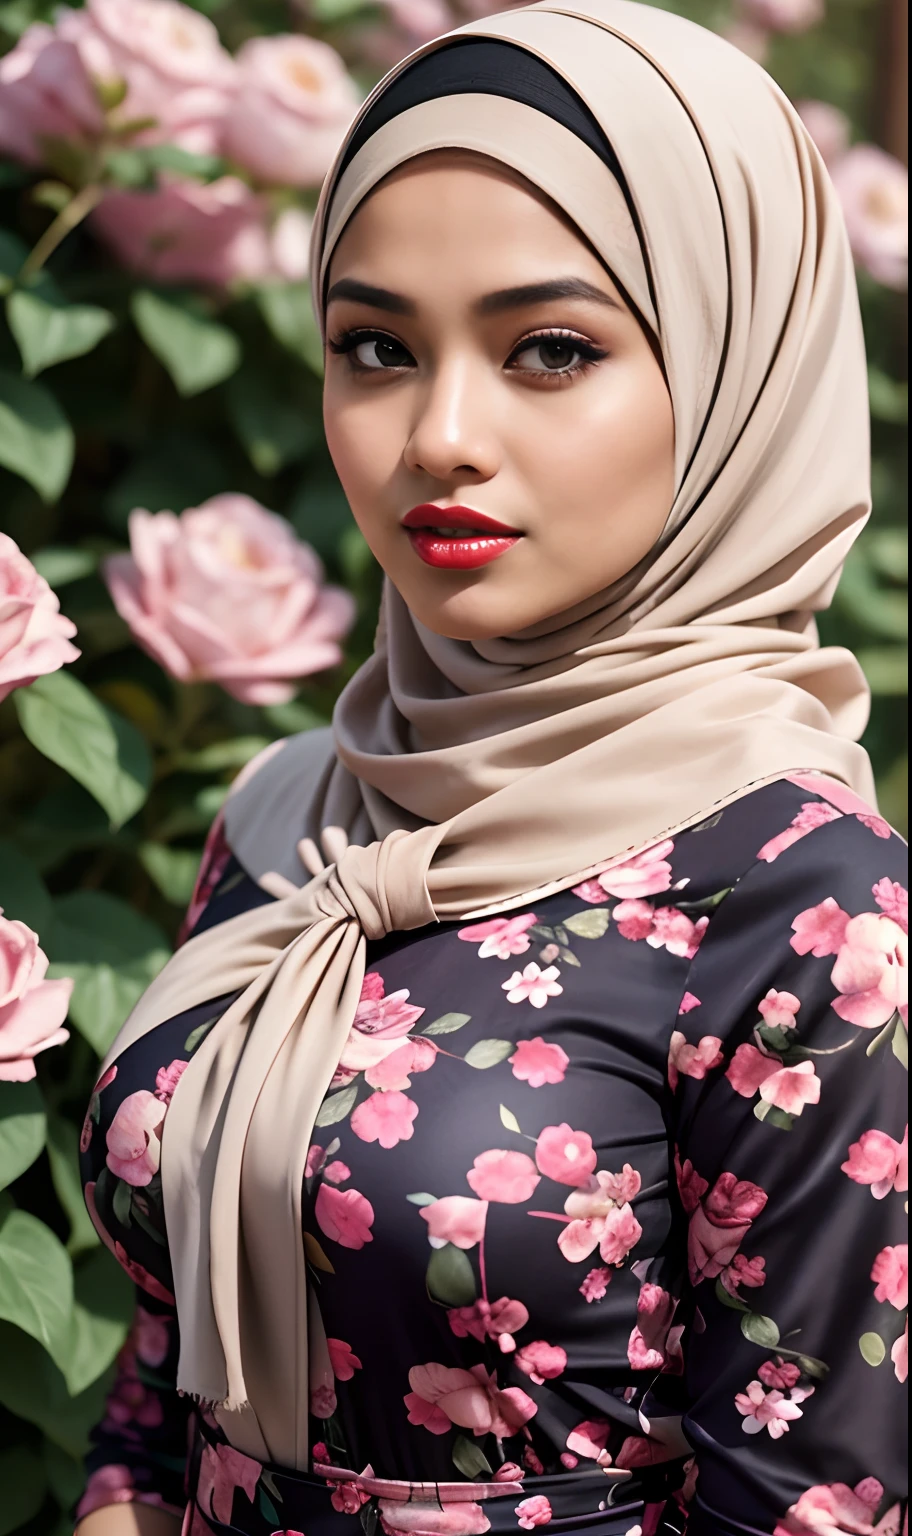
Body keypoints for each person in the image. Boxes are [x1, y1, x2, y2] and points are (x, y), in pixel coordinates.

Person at [74, 3, 908, 1535]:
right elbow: (165, 1362)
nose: (440, 436)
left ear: (736, 374)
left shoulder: (809, 908)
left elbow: (813, 1503)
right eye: (376, 347)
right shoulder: (296, 813)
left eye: (550, 350)